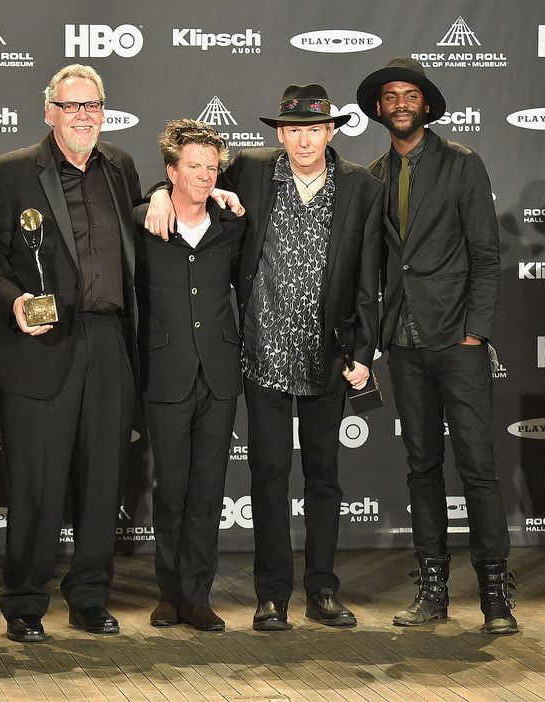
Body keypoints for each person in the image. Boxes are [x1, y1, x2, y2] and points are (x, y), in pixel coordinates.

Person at [147, 84, 382, 631]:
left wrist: (364, 350)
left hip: (330, 356)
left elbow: (371, 276)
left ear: (331, 131)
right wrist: (160, 191)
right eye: (293, 129)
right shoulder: (250, 171)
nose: (303, 139)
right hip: (261, 355)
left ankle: (322, 589)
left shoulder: (360, 188)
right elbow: (190, 181)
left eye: (314, 129)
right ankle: (271, 595)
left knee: (324, 478)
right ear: (280, 133)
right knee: (269, 477)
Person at [0, 64, 142, 642]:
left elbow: (144, 229)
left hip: (109, 341)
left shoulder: (119, 167)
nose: (84, 116)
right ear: (49, 112)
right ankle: (23, 601)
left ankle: (90, 598)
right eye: (72, 106)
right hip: (42, 346)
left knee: (103, 482)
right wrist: (14, 300)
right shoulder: (13, 171)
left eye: (93, 105)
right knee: (37, 485)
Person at [356, 57, 517, 634]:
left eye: (410, 95)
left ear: (426, 105)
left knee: (478, 467)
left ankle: (496, 596)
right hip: (402, 341)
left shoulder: (461, 165)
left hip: (457, 339)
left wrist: (476, 329)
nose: (400, 103)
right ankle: (432, 591)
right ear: (379, 109)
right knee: (421, 467)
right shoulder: (371, 176)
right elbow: (371, 266)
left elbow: (487, 255)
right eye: (390, 96)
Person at [133, 119, 246, 632]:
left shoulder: (233, 221)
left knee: (207, 489)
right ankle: (169, 593)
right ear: (170, 171)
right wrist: (158, 195)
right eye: (193, 167)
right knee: (171, 488)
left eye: (211, 168)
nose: (203, 176)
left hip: (219, 375)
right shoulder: (144, 223)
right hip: (165, 371)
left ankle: (198, 595)